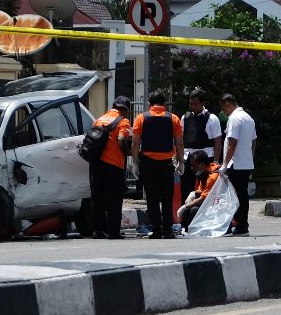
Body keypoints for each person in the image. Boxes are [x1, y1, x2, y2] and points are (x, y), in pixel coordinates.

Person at [131, 90, 185, 239]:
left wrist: (134, 162)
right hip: (167, 164)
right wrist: (181, 162)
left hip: (148, 164)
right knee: (167, 198)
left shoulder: (141, 118)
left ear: (149, 103)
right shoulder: (173, 118)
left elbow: (136, 142)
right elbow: (179, 143)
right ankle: (167, 230)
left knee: (152, 198)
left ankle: (156, 230)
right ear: (164, 103)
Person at [89, 96, 132, 239]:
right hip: (114, 165)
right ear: (125, 109)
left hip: (96, 164)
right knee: (114, 200)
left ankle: (97, 231)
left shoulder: (99, 119)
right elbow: (121, 140)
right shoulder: (123, 121)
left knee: (97, 198)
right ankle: (113, 232)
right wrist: (128, 152)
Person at [219, 93, 256, 237]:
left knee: (232, 197)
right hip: (245, 163)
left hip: (235, 164)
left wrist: (225, 164)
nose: (224, 112)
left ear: (228, 104)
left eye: (224, 108)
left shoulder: (234, 118)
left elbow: (232, 143)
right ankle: (242, 225)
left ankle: (236, 226)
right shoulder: (248, 118)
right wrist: (250, 159)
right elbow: (253, 143)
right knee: (242, 196)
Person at [180, 89, 223, 206]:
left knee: (205, 189)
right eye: (190, 103)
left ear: (203, 103)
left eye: (195, 103)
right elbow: (180, 139)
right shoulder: (185, 117)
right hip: (188, 157)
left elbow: (218, 141)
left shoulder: (212, 118)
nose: (192, 106)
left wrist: (215, 161)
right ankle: (185, 218)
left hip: (205, 158)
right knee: (186, 189)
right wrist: (179, 159)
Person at [178, 150, 220, 232]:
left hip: (219, 207)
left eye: (194, 165)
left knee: (191, 210)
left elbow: (203, 199)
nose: (192, 168)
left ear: (201, 165)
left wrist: (183, 208)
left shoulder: (213, 176)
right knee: (190, 204)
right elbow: (201, 192)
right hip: (212, 203)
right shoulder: (203, 173)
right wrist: (193, 193)